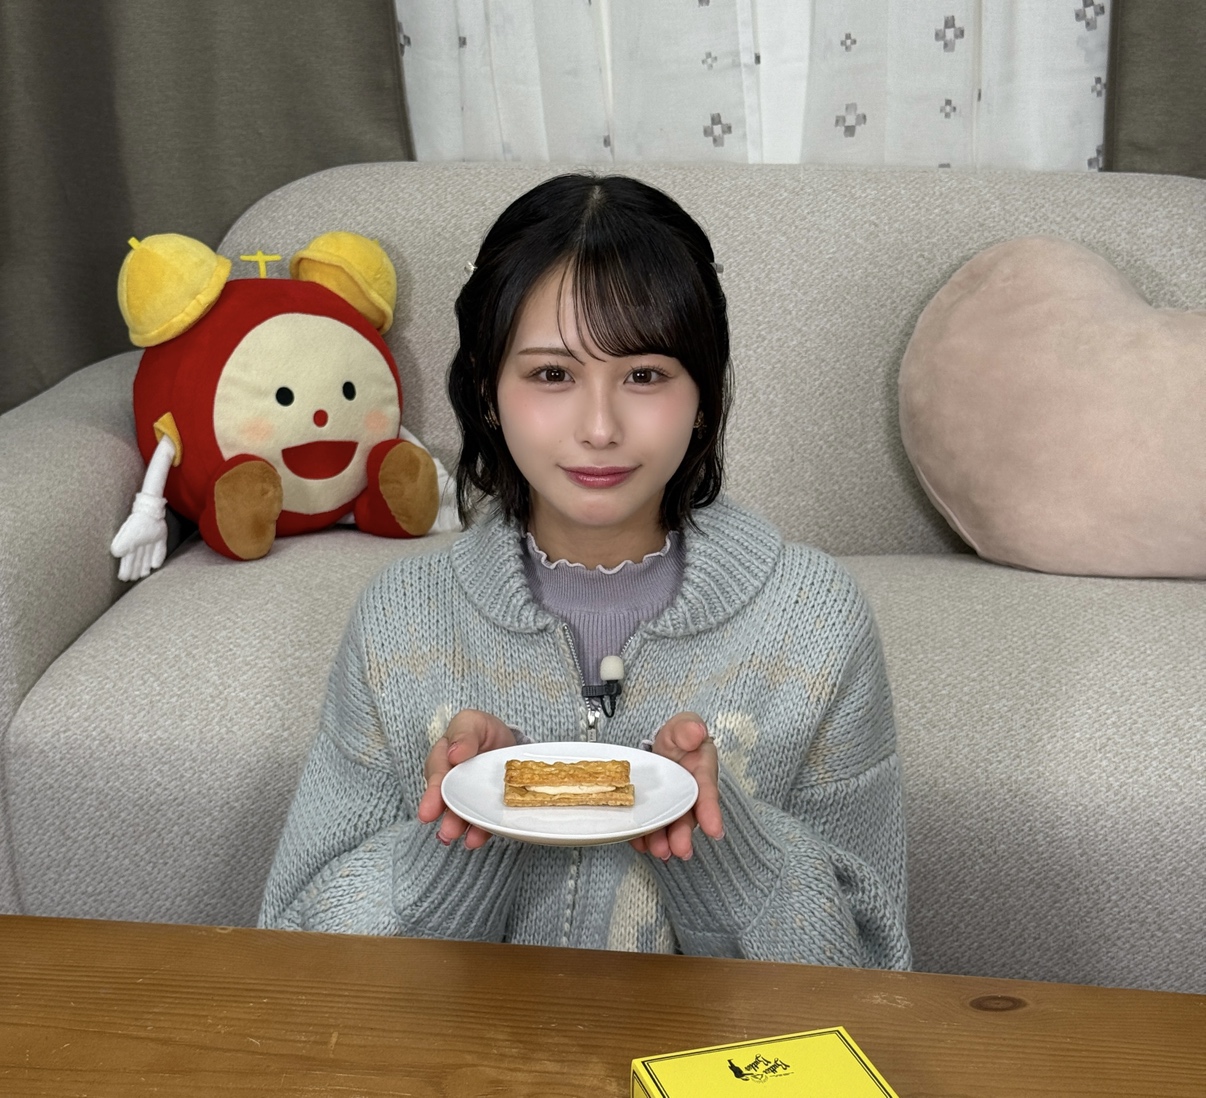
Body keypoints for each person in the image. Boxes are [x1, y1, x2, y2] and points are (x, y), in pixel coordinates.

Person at [259, 174, 911, 968]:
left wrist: (725, 844)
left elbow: (872, 975)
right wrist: (460, 833)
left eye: (645, 375)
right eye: (551, 375)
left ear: (705, 395)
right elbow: (296, 958)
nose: (600, 428)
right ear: (487, 392)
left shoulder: (817, 623)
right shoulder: (398, 620)